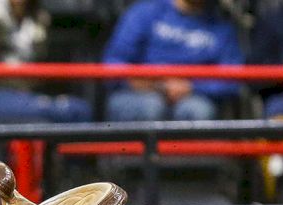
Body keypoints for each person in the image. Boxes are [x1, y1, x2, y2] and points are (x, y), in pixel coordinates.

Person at [102, 0, 243, 122]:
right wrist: (149, 82)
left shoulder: (222, 26)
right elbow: (112, 63)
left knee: (198, 111)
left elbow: (231, 80)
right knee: (150, 108)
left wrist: (191, 87)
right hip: (140, 91)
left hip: (194, 95)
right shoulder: (145, 11)